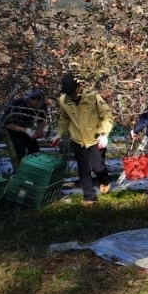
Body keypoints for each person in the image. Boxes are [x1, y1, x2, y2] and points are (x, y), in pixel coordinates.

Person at [50, 74, 114, 206]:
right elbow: (64, 119)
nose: (73, 95)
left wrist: (104, 134)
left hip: (96, 138)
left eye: (74, 91)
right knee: (83, 169)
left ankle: (105, 180)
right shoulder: (63, 100)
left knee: (98, 167)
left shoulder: (93, 97)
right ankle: (89, 197)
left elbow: (107, 116)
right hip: (78, 140)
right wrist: (59, 134)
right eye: (70, 93)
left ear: (79, 87)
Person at [2, 88, 47, 162]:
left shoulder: (42, 106)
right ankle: (20, 168)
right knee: (19, 150)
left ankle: (33, 167)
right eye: (37, 100)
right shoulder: (18, 105)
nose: (39, 103)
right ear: (30, 99)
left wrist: (39, 130)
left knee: (35, 149)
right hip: (14, 130)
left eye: (41, 100)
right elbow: (6, 123)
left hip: (27, 129)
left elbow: (41, 120)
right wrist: (24, 129)